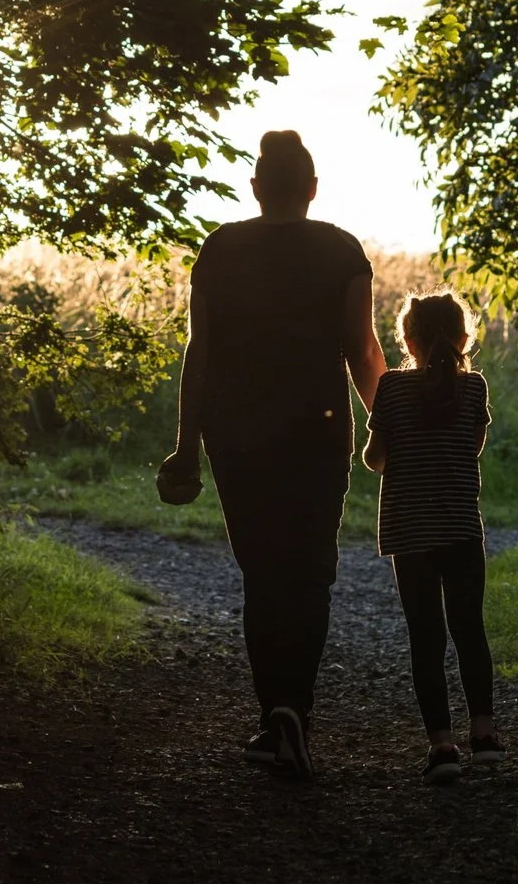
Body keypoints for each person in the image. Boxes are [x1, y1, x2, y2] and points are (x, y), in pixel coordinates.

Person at [157, 130, 385, 779]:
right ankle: (295, 711)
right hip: (319, 431)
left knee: (263, 573)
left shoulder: (221, 250)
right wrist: (389, 425)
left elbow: (198, 353)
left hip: (237, 437)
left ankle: (273, 714)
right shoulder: (342, 250)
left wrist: (185, 448)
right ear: (313, 189)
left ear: (255, 188)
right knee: (310, 572)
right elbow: (363, 351)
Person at [361, 291, 504, 785]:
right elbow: (472, 448)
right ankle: (484, 736)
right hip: (461, 528)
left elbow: (374, 458)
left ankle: (442, 746)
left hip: (410, 531)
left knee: (426, 638)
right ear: (466, 338)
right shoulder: (476, 388)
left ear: (407, 339)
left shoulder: (391, 389)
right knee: (470, 631)